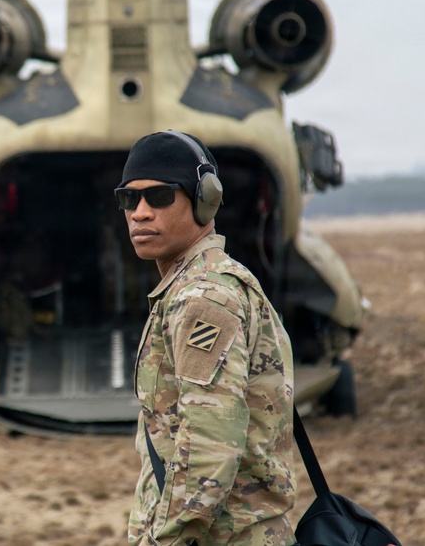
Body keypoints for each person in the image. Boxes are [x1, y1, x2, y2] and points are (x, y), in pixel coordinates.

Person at [117, 130, 296, 546]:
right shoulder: (200, 285)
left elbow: (209, 448)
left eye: (160, 197)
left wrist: (165, 539)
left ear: (205, 201)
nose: (140, 212)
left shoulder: (202, 297)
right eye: (129, 199)